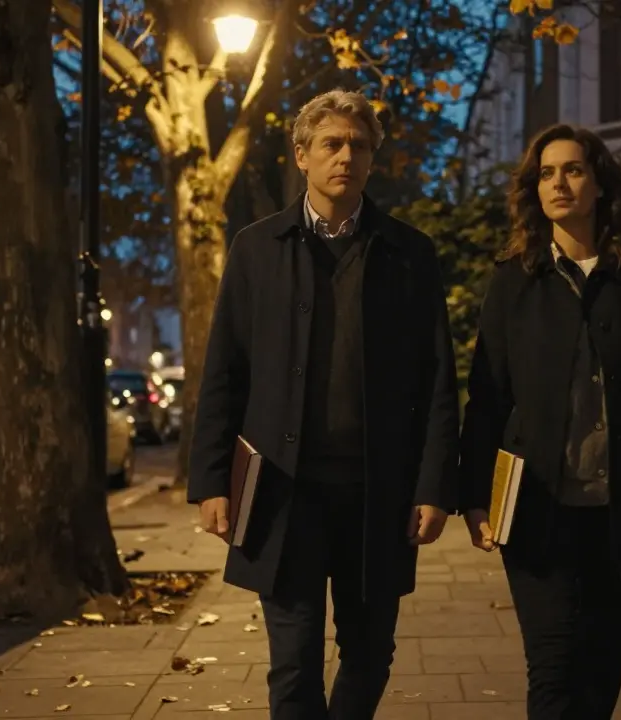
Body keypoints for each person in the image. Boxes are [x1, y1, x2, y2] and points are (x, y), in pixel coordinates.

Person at [186, 88, 461, 720]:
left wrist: (433, 486)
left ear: (372, 159)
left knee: (371, 654)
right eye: (331, 144)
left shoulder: (408, 253)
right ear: (302, 155)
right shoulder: (257, 248)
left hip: (378, 494)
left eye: (358, 146)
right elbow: (225, 371)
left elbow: (437, 381)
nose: (346, 156)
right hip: (284, 495)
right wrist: (210, 482)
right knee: (293, 663)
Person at [458, 123, 621, 719]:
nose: (559, 183)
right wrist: (475, 496)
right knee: (552, 672)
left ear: (599, 183)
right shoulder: (512, 281)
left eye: (573, 170)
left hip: (619, 510)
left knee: (600, 674)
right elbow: (488, 399)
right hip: (534, 512)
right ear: (534, 189)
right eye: (547, 173)